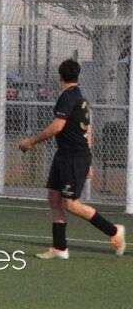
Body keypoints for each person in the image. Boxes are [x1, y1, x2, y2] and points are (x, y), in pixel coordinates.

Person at [19, 59, 125, 259]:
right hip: (65, 155)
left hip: (74, 157)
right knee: (54, 198)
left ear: (60, 77)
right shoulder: (79, 97)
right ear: (77, 76)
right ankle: (60, 248)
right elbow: (88, 130)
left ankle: (113, 230)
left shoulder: (68, 96)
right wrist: (89, 160)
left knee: (70, 204)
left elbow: (58, 126)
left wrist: (30, 142)